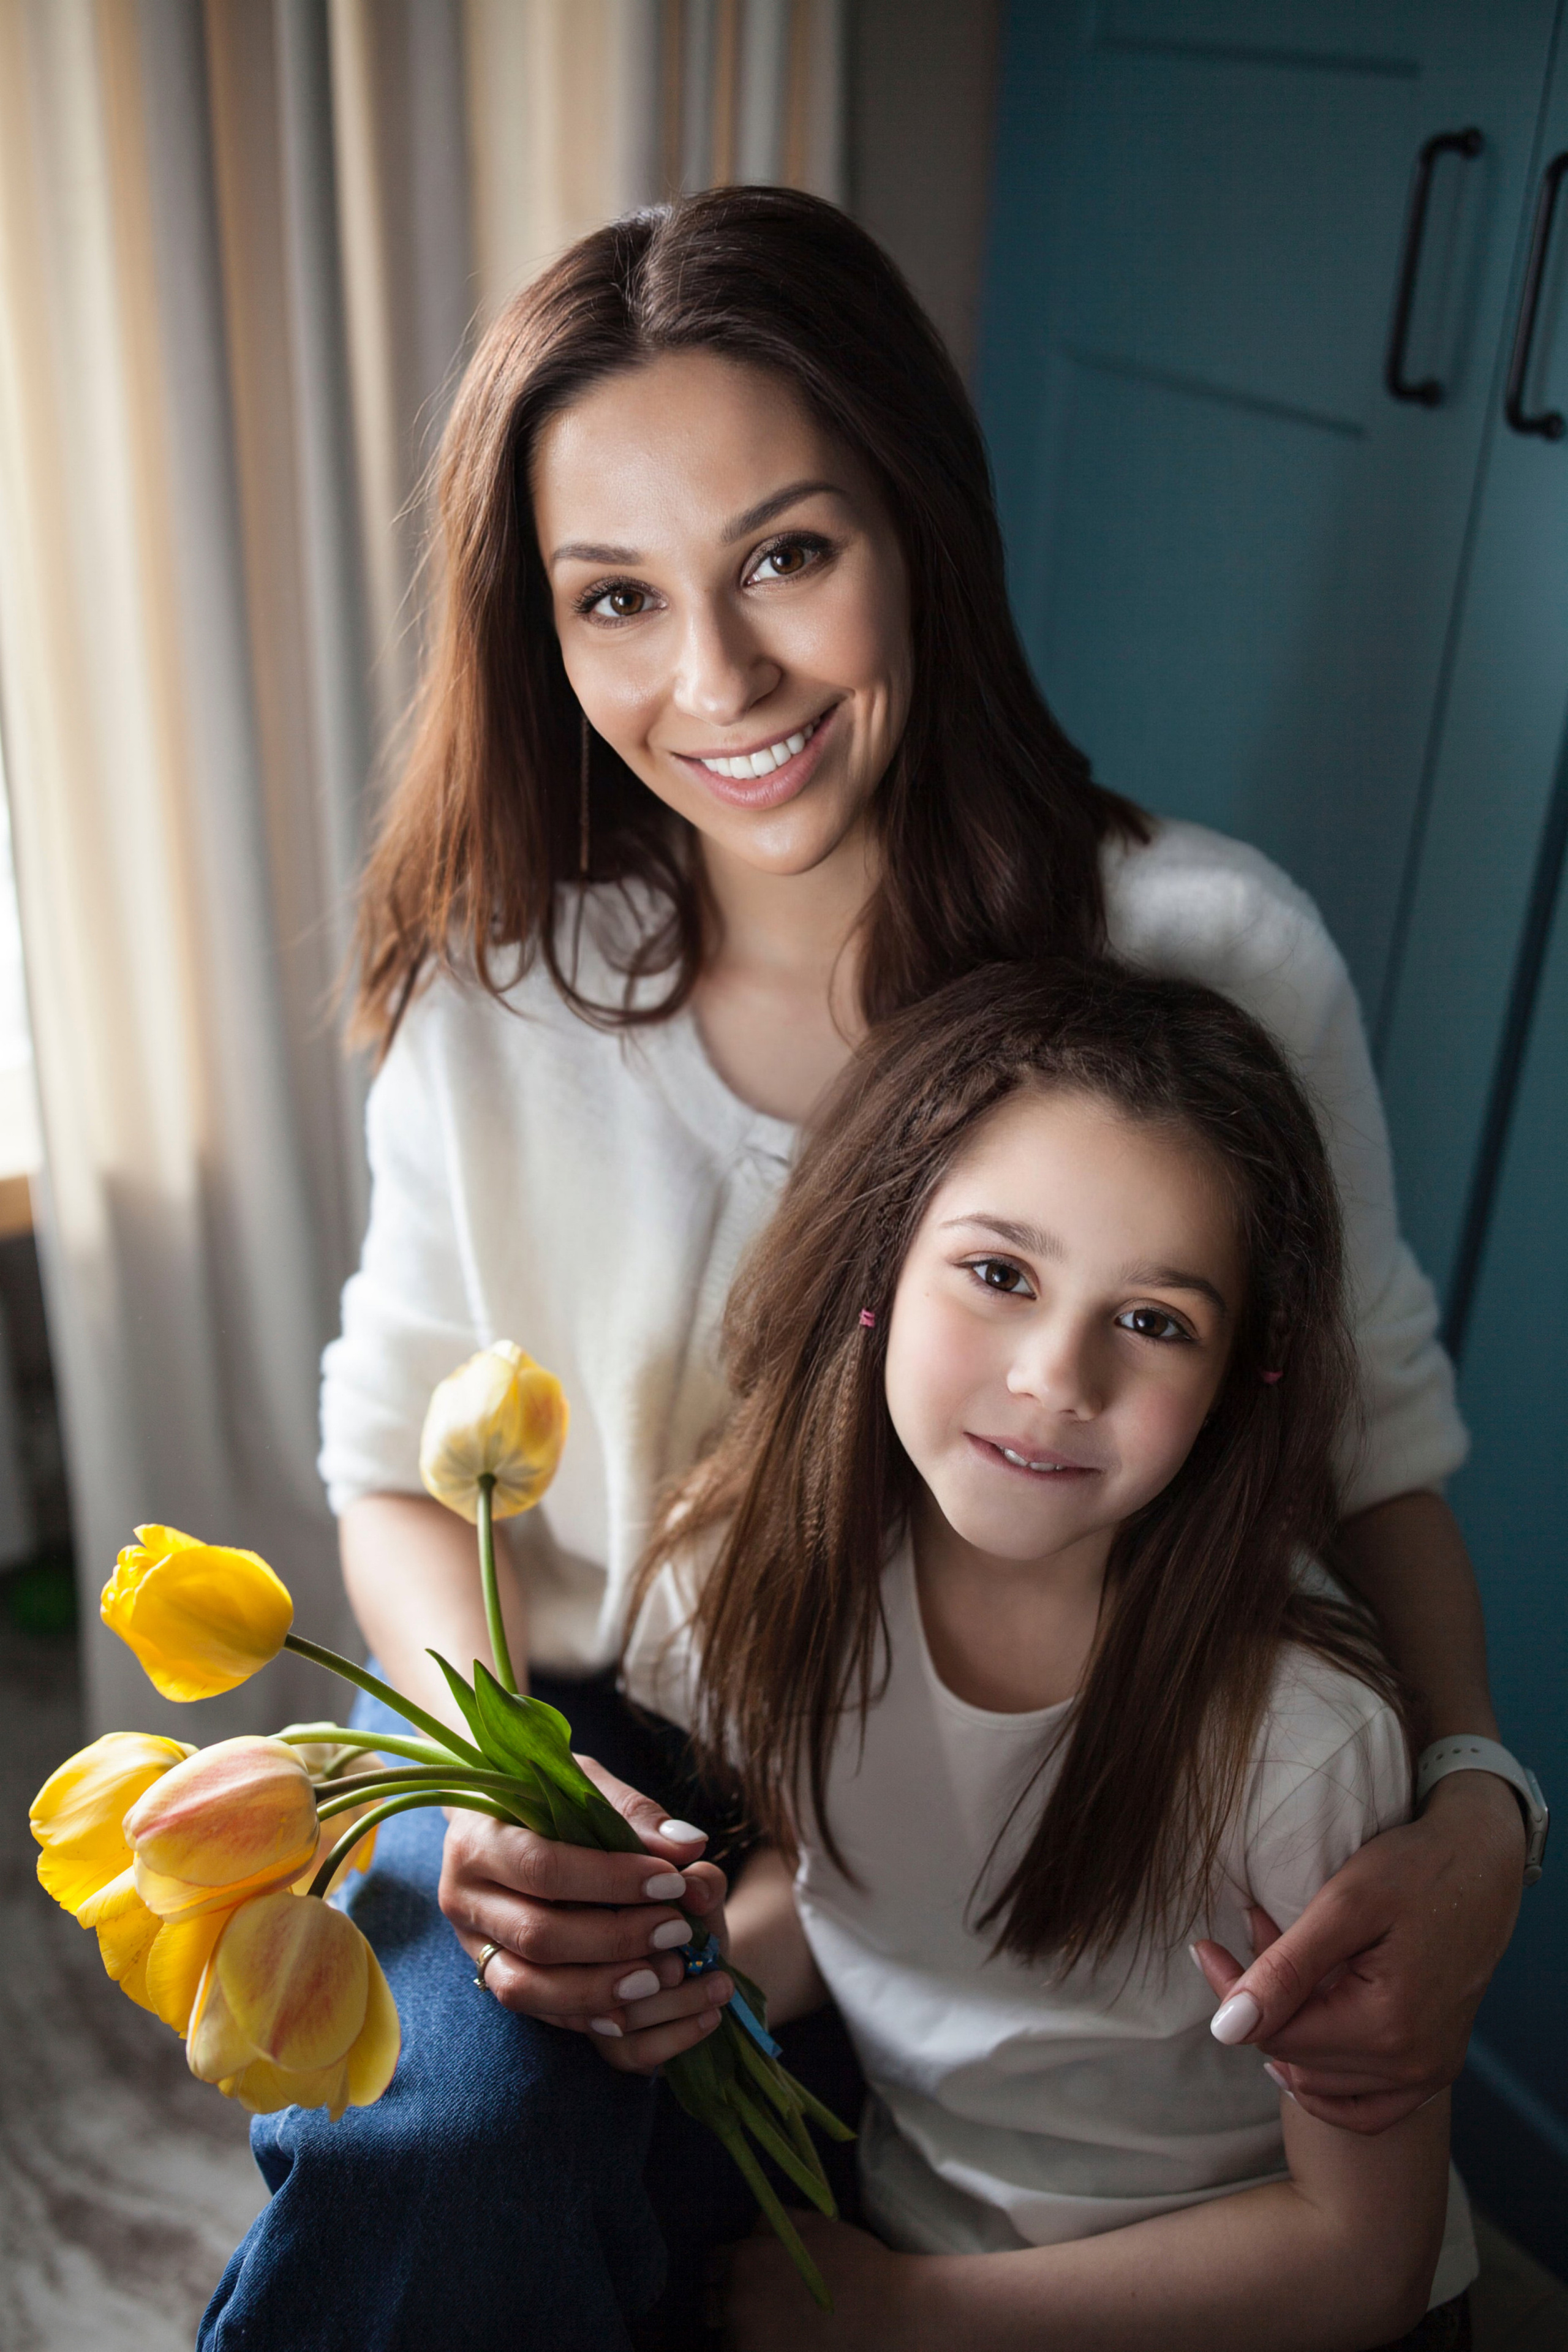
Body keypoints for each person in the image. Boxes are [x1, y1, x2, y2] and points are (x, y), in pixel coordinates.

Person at [199, 188, 1526, 2350]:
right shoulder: (498, 989)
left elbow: (1373, 1451)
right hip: (589, 1757)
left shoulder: (1205, 953)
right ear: (538, 630)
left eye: (787, 558)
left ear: (916, 525)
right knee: (444, 2163)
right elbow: (385, 1461)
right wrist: (485, 1775)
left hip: (1046, 1760)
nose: (713, 680)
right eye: (613, 599)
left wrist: (1483, 1807)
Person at [623, 956, 1477, 2348]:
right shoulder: (733, 1583)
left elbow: (1357, 2257)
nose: (1054, 1378)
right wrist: (676, 1955)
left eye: (1152, 1322)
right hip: (924, 2239)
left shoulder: (1296, 1745)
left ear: (1233, 1384)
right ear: (875, 1264)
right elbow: (860, 1911)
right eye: (998, 1274)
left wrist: (900, 2312)